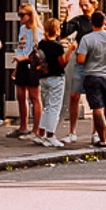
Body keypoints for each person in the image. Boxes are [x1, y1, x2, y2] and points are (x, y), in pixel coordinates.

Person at [74, 11, 106, 151]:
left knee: (97, 109)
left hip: (92, 76)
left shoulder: (87, 39)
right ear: (105, 22)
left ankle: (101, 140)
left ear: (91, 23)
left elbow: (80, 60)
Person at [59, 0, 100, 143]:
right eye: (81, 5)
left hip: (96, 63)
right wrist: (67, 16)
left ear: (93, 5)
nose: (83, 8)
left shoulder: (101, 19)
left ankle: (96, 133)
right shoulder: (79, 20)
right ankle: (72, 132)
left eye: (86, 5)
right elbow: (64, 33)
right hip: (81, 63)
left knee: (95, 98)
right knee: (74, 96)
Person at [33, 15, 68, 146]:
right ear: (56, 29)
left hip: (43, 77)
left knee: (47, 106)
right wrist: (70, 51)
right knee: (54, 107)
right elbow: (62, 63)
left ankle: (40, 134)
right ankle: (50, 135)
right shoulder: (57, 46)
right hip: (56, 77)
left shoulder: (42, 43)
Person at [10, 4, 42, 139]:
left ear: (30, 16)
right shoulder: (23, 29)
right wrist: (16, 68)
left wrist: (23, 58)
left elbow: (39, 53)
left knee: (34, 97)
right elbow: (21, 47)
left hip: (33, 65)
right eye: (19, 14)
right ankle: (23, 126)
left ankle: (36, 129)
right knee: (21, 95)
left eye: (22, 15)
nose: (20, 17)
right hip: (21, 64)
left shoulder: (38, 31)